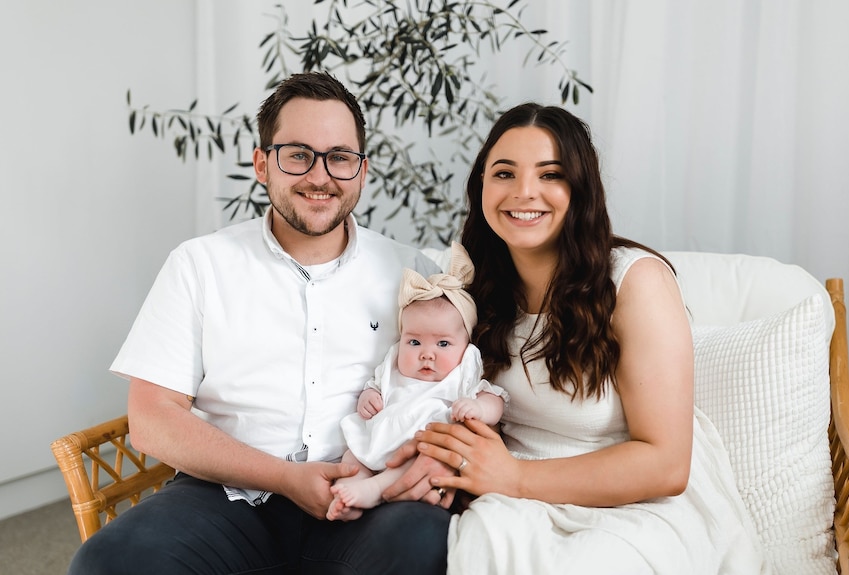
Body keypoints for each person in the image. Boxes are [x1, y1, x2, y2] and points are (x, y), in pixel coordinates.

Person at [67, 71, 453, 575]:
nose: (321, 176)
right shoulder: (199, 264)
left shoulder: (415, 275)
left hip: (369, 493)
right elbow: (152, 418)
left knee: (430, 544)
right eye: (297, 154)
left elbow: (457, 389)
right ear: (261, 164)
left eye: (339, 157)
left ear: (361, 171)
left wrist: (434, 464)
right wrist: (285, 478)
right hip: (221, 498)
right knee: (109, 562)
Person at [408, 103, 771, 574]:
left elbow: (666, 465)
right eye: (504, 173)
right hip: (512, 502)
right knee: (472, 550)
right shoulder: (474, 289)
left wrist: (515, 476)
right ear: (481, 187)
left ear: (580, 190)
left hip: (636, 502)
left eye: (550, 174)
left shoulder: (635, 283)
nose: (524, 192)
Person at [327, 243, 508, 521]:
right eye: (414, 341)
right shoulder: (395, 361)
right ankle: (348, 494)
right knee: (353, 457)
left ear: (466, 346)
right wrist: (369, 397)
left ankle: (374, 489)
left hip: (420, 447)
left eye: (443, 343)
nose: (426, 353)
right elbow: (376, 385)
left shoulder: (463, 371)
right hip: (379, 436)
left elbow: (494, 398)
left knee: (414, 462)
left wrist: (479, 409)